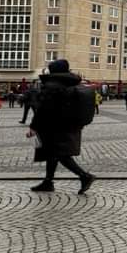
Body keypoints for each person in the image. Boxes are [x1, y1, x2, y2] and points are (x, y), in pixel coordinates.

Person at [26, 59, 95, 194]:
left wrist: (33, 126)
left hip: (54, 125)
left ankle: (85, 176)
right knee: (52, 154)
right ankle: (48, 182)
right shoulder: (72, 81)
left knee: (60, 154)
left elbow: (43, 108)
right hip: (69, 123)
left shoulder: (52, 85)